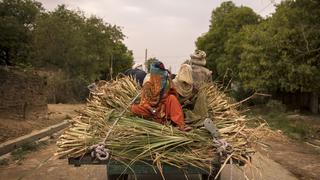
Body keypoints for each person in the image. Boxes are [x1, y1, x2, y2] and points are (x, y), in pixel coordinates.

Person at [131, 60, 190, 131]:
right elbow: (144, 102)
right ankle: (156, 119)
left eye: (162, 77)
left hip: (164, 108)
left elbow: (173, 93)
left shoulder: (167, 82)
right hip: (150, 110)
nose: (160, 80)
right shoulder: (148, 85)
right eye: (158, 78)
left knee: (172, 98)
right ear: (153, 76)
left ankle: (180, 124)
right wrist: (151, 109)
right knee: (135, 109)